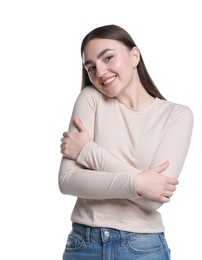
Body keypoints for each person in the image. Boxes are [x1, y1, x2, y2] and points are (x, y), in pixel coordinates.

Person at [58, 24, 193, 260]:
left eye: (108, 57)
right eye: (91, 67)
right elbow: (68, 181)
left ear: (134, 56)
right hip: (84, 244)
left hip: (143, 247)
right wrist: (138, 183)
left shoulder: (177, 115)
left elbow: (154, 200)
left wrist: (88, 151)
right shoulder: (90, 99)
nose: (99, 72)